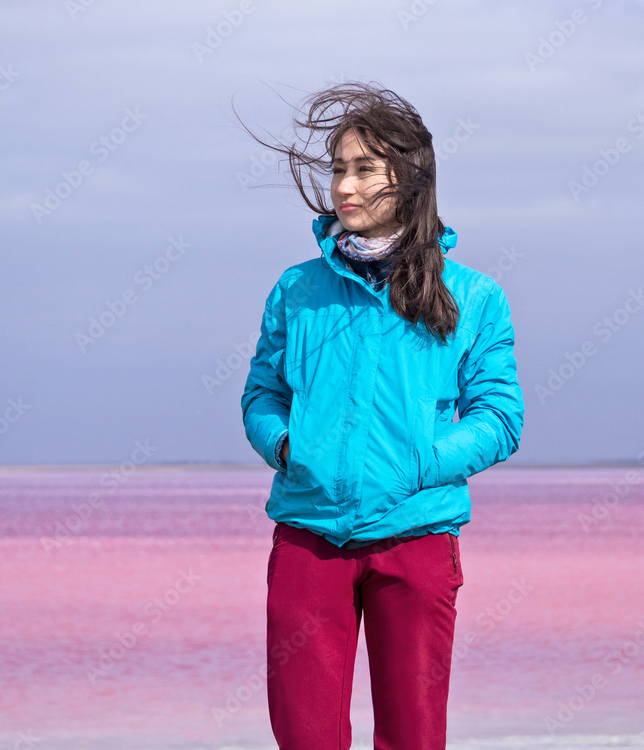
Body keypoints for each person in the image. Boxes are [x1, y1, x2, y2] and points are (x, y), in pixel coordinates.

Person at [239, 81, 524, 750]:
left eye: (364, 168)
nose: (344, 185)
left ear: (409, 176)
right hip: (310, 540)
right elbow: (261, 395)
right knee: (306, 738)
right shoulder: (297, 289)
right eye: (338, 168)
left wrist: (424, 459)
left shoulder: (475, 297)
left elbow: (501, 417)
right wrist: (285, 446)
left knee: (412, 737)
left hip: (417, 538)